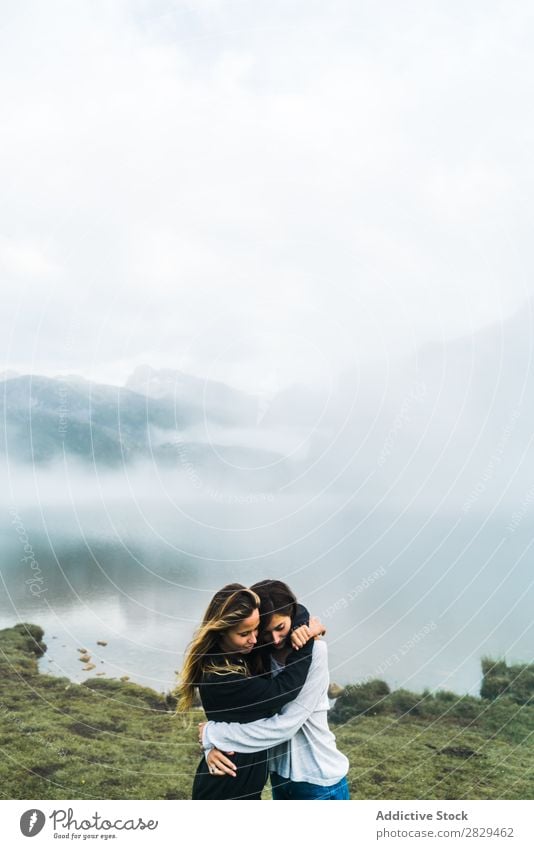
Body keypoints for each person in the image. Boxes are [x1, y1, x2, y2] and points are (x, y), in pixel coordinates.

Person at [200, 579, 350, 800]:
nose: (276, 639)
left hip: (318, 780)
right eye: (265, 631)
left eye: (281, 628)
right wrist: (210, 746)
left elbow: (286, 726)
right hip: (278, 777)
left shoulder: (315, 650)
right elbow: (243, 714)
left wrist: (214, 733)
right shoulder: (259, 652)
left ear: (292, 615)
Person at [176, 582, 319, 800]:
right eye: (244, 633)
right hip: (224, 788)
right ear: (221, 632)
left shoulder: (237, 654)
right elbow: (282, 690)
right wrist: (307, 640)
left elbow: (285, 609)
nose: (254, 639)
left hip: (245, 785)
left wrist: (300, 622)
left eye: (256, 630)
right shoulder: (221, 677)